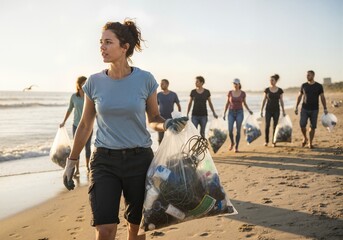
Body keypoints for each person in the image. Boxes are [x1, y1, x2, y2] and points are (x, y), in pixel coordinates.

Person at [62, 19, 188, 240]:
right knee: (104, 229)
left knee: (137, 228)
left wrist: (166, 124)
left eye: (108, 42)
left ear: (124, 47)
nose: (102, 47)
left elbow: (154, 118)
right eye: (101, 42)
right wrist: (71, 161)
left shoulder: (145, 79)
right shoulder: (93, 82)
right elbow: (84, 125)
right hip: (104, 161)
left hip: (139, 161)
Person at [60, 76, 93, 174]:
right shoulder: (74, 97)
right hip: (76, 125)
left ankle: (87, 166)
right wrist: (64, 122)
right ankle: (77, 169)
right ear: (78, 85)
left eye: (86, 83)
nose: (85, 85)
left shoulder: (89, 95)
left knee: (87, 147)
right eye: (83, 83)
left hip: (88, 125)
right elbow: (69, 109)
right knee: (77, 147)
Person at [295, 70, 328, 149]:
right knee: (302, 125)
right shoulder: (303, 85)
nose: (307, 76)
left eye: (309, 75)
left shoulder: (319, 86)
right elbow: (299, 96)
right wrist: (296, 106)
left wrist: (325, 108)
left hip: (314, 109)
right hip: (304, 108)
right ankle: (305, 138)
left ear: (313, 76)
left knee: (312, 127)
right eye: (307, 75)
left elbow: (322, 97)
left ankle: (310, 142)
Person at [223, 78, 253, 153]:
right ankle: (232, 142)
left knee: (238, 131)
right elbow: (227, 103)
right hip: (231, 112)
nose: (235, 85)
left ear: (239, 84)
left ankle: (236, 147)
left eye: (236, 84)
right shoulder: (230, 92)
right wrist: (224, 113)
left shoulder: (243, 93)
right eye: (234, 84)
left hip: (240, 112)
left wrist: (249, 110)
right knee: (230, 130)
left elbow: (244, 103)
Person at [260, 74, 286, 147]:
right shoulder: (267, 90)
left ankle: (274, 141)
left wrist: (283, 111)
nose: (271, 81)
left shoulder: (280, 90)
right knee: (267, 125)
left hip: (276, 110)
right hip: (268, 110)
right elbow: (264, 100)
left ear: (275, 81)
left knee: (275, 126)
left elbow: (281, 101)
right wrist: (261, 110)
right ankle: (266, 141)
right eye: (270, 80)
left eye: (272, 80)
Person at [157, 79, 182, 144]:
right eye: (161, 83)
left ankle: (170, 153)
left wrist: (178, 117)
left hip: (170, 119)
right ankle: (161, 153)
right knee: (160, 138)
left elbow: (178, 106)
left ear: (167, 84)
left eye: (163, 83)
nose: (161, 85)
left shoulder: (173, 94)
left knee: (171, 138)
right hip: (160, 119)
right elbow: (155, 106)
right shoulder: (158, 95)